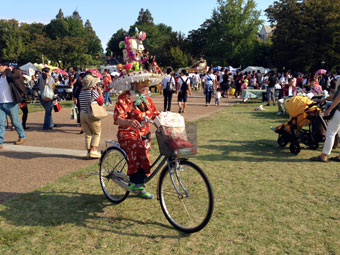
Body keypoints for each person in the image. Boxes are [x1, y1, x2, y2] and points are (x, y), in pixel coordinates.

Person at [114, 80, 160, 199]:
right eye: (142, 83)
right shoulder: (124, 98)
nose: (146, 86)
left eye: (147, 83)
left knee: (145, 155)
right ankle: (136, 182)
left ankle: (140, 186)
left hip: (144, 134)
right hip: (127, 133)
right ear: (134, 84)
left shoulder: (146, 99)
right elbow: (118, 119)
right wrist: (128, 122)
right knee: (138, 148)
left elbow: (155, 115)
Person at [310, 83, 340, 162]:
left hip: (338, 112)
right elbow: (335, 96)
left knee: (331, 133)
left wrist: (330, 109)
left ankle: (323, 155)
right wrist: (324, 99)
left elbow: (338, 97)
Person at [0, 60, 26, 149]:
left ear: (5, 67)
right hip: (1, 103)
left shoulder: (11, 76)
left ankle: (22, 136)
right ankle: (0, 141)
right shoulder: (0, 77)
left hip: (11, 103)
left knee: (15, 122)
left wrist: (8, 70)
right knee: (1, 123)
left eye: (0, 66)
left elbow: (13, 77)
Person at [79, 73, 104, 159]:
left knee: (88, 134)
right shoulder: (93, 92)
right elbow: (101, 102)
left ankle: (88, 151)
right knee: (97, 132)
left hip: (83, 113)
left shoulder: (81, 92)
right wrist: (100, 92)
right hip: (91, 114)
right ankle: (93, 150)